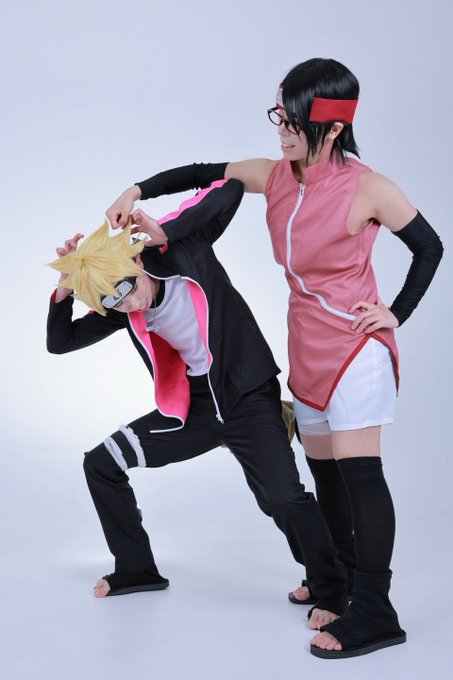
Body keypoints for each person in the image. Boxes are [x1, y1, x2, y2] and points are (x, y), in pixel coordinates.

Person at [104, 58, 443, 658]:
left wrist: (396, 313)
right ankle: (339, 581)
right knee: (324, 474)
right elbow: (204, 171)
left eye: (294, 121)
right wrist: (136, 190)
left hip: (356, 348)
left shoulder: (369, 188)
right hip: (305, 348)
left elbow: (429, 247)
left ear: (332, 128)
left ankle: (376, 610)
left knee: (361, 474)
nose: (282, 131)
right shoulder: (275, 175)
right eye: (279, 116)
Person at [47, 176, 349, 634]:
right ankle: (137, 568)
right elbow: (61, 341)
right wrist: (66, 288)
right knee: (101, 464)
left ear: (134, 260)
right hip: (196, 409)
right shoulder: (125, 309)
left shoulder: (184, 253)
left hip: (247, 396)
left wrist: (154, 215)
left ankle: (331, 586)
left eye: (126, 286)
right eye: (111, 299)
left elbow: (229, 189)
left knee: (281, 498)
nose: (128, 301)